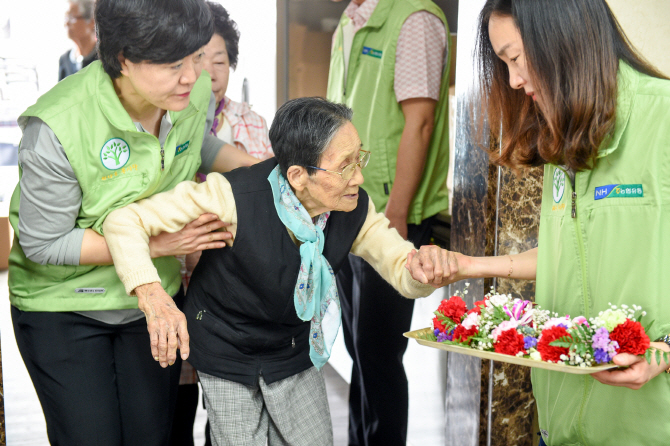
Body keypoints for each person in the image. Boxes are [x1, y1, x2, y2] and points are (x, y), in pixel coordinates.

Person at [102, 97, 440, 446]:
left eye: (359, 159)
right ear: (297, 176)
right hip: (225, 346)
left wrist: (423, 271)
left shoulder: (353, 208)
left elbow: (400, 263)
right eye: (345, 166)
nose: (359, 176)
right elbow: (124, 220)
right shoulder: (232, 194)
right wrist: (152, 295)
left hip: (292, 346)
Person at [406, 0, 670, 445]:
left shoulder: (662, 120)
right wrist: (469, 266)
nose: (513, 80)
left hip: (643, 428)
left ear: (562, 37)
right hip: (561, 424)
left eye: (514, 58)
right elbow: (562, 253)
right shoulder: (566, 135)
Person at [9, 0, 259, 444]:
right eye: (172, 64)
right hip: (65, 305)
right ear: (123, 58)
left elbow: (196, 144)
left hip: (151, 302)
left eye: (196, 57)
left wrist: (268, 172)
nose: (192, 76)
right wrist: (156, 246)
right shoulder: (60, 124)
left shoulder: (190, 92)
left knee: (151, 436)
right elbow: (44, 243)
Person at [326, 0, 451, 443]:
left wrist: (396, 213)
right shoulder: (351, 18)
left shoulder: (413, 20)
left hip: (388, 215)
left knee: (378, 354)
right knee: (358, 348)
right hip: (347, 207)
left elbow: (419, 123)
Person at [202, 1, 273, 160]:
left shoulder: (253, 123)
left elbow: (272, 180)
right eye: (198, 61)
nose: (210, 75)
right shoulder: (166, 121)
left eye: (219, 63)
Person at [59, 0, 98, 81]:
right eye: (66, 18)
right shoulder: (65, 60)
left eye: (72, 17)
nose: (67, 24)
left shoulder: (104, 58)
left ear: (92, 22)